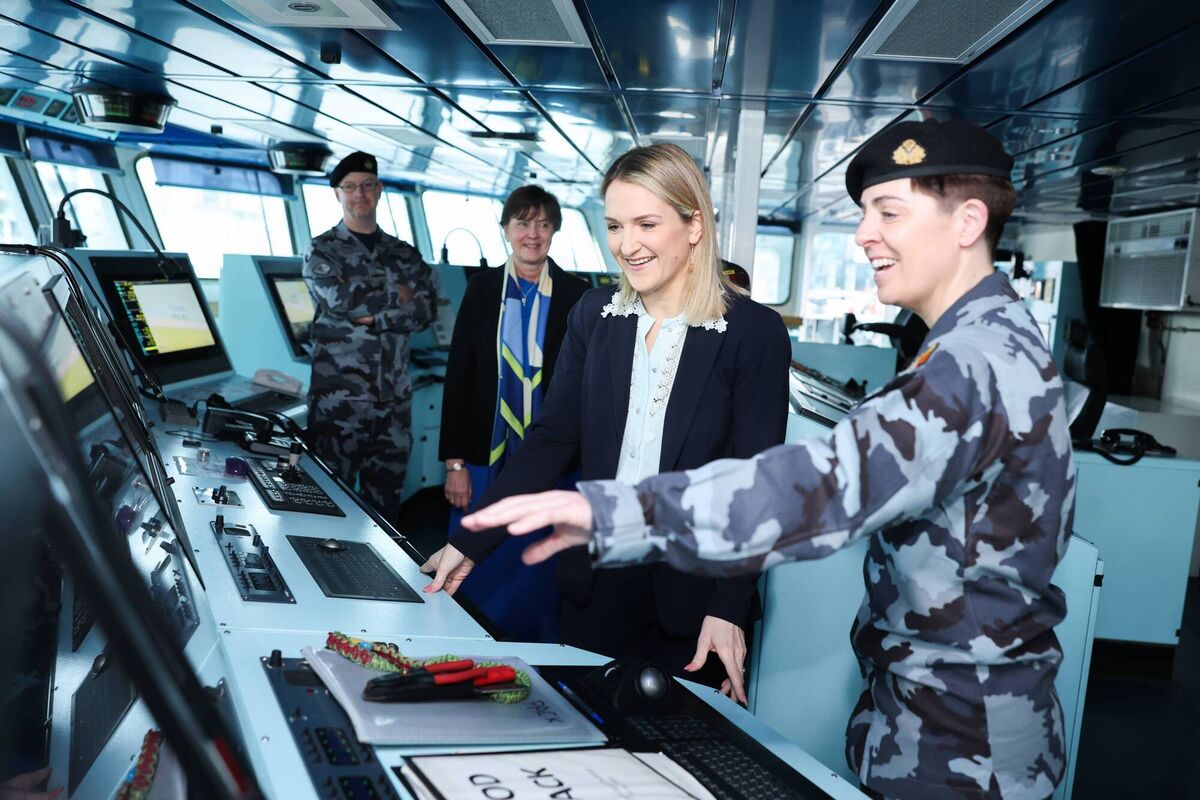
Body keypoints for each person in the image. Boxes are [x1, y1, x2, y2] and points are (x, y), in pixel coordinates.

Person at [463, 120, 1075, 800]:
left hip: (965, 738)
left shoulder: (974, 363)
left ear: (968, 222)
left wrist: (607, 510)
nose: (864, 234)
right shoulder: (981, 342)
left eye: (888, 213)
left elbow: (815, 489)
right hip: (939, 715)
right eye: (866, 213)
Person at [423, 143, 792, 703]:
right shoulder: (595, 316)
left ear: (695, 225)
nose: (626, 244)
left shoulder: (752, 332)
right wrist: (474, 538)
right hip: (594, 582)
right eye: (615, 225)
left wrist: (728, 605)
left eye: (647, 223)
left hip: (696, 599)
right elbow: (551, 439)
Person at [435, 185, 590, 641]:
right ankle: (461, 642)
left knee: (536, 572)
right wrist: (455, 464)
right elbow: (459, 378)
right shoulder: (482, 289)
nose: (533, 234)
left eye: (543, 224)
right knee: (472, 568)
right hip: (484, 457)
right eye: (523, 223)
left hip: (551, 462)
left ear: (554, 231)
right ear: (506, 230)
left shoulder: (579, 296)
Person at [303, 151, 437, 523]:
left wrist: (375, 314)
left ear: (378, 190)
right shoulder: (322, 249)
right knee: (329, 503)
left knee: (386, 507)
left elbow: (426, 311)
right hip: (339, 400)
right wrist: (399, 302)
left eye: (366, 186)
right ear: (337, 194)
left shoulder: (404, 254)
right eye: (350, 187)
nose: (359, 194)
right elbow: (345, 302)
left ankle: (381, 579)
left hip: (393, 402)